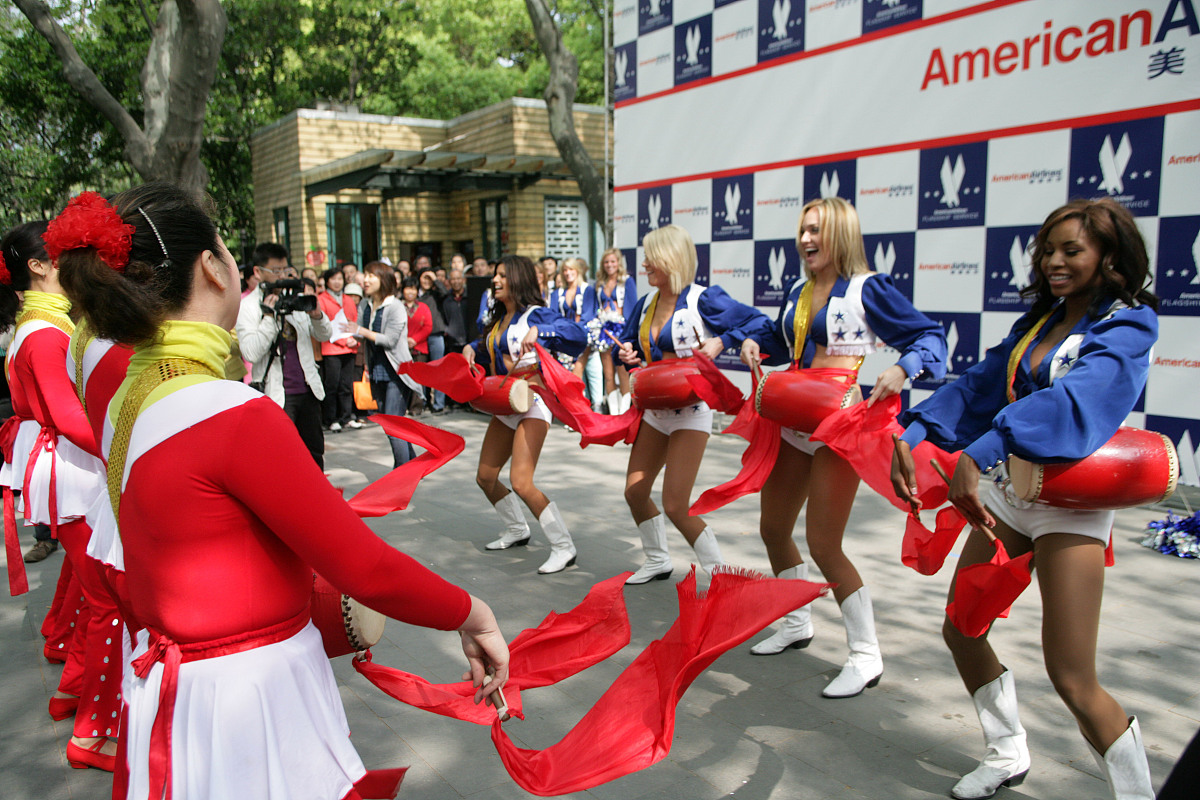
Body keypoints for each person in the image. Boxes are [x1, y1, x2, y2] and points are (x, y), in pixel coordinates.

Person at [56, 183, 509, 799]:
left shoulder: (129, 400)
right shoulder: (230, 411)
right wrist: (473, 613)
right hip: (252, 700)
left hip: (179, 697)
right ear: (211, 269)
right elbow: (362, 565)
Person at [891, 197, 1158, 800]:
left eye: (1072, 250)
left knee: (1071, 674)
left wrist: (980, 452)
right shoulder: (1039, 323)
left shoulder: (1129, 325)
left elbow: (1076, 407)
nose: (1054, 262)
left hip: (1074, 507)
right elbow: (981, 384)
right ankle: (1007, 750)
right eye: (1048, 250)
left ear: (1109, 257)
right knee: (962, 626)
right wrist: (911, 432)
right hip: (1010, 497)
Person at [736, 197, 946, 701]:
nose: (807, 240)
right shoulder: (798, 290)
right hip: (793, 422)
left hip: (841, 426)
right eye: (803, 230)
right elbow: (780, 339)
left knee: (825, 544)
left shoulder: (867, 288)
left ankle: (865, 653)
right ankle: (795, 623)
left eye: (818, 231)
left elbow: (928, 337)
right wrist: (750, 342)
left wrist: (901, 369)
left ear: (841, 235)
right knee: (772, 528)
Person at [0, 217, 123, 769]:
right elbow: (69, 418)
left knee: (92, 590)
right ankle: (93, 731)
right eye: (65, 254)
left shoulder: (39, 325)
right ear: (38, 266)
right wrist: (129, 447)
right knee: (110, 604)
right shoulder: (47, 332)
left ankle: (72, 691)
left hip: (65, 466)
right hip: (72, 467)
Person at [614, 225, 764, 585]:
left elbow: (757, 323)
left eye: (652, 257)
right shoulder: (645, 303)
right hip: (654, 411)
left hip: (691, 413)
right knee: (635, 491)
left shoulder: (703, 299)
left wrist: (722, 341)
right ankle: (657, 559)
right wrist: (629, 354)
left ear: (672, 258)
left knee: (676, 505)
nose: (645, 263)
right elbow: (629, 344)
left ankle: (719, 574)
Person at [464, 255, 586, 574]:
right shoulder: (497, 318)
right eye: (495, 275)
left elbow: (577, 335)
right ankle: (517, 530)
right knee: (486, 477)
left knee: (521, 481)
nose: (495, 280)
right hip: (505, 405)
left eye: (502, 275)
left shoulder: (538, 314)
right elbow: (486, 347)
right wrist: (470, 349)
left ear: (517, 280)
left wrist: (541, 331)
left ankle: (564, 547)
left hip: (532, 403)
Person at [237, 243, 332, 469]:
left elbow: (325, 334)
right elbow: (250, 351)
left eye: (284, 270)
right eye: (275, 271)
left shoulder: (296, 296)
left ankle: (316, 501)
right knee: (282, 456)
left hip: (308, 388)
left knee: (314, 453)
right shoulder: (248, 307)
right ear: (258, 272)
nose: (282, 276)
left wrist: (317, 314)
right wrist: (270, 318)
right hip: (277, 394)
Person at [356, 264, 423, 466]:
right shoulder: (364, 305)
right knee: (391, 425)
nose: (365, 280)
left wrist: (362, 331)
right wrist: (353, 337)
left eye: (371, 276)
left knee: (394, 425)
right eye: (365, 276)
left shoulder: (395, 307)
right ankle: (413, 465)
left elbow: (390, 340)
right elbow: (360, 333)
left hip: (397, 373)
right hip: (376, 371)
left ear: (383, 280)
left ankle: (401, 474)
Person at [595, 248, 638, 413]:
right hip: (604, 332)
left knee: (623, 372)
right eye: (606, 262)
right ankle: (613, 411)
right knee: (608, 373)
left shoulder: (627, 281)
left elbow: (632, 308)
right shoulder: (599, 284)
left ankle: (624, 410)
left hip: (621, 330)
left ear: (618, 263)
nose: (609, 265)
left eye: (612, 261)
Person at [318, 267, 360, 432]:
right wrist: (345, 340)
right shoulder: (321, 299)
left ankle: (346, 416)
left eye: (340, 279)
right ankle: (331, 418)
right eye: (334, 279)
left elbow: (355, 321)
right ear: (327, 281)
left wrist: (354, 340)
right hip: (332, 349)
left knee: (346, 385)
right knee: (332, 385)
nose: (337, 282)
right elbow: (323, 326)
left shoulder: (348, 299)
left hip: (349, 348)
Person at [417, 269, 448, 413]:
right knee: (422, 371)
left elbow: (445, 292)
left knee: (439, 370)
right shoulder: (415, 295)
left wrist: (435, 279)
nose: (427, 281)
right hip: (419, 337)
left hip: (436, 335)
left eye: (430, 278)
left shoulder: (436, 294)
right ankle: (422, 401)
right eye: (425, 278)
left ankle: (439, 403)